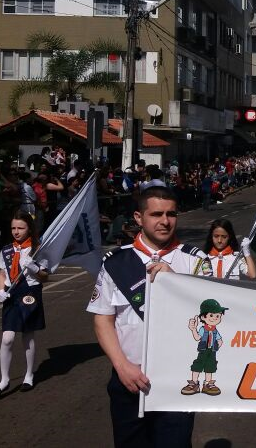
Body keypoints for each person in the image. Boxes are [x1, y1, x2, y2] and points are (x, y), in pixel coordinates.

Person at [87, 186, 206, 447]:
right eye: (156, 214)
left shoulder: (196, 261)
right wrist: (122, 366)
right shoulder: (116, 262)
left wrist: (177, 282)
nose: (165, 221)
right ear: (139, 218)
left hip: (177, 379)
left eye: (171, 214)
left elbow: (211, 317)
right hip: (128, 378)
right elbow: (103, 319)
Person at [0, 212, 49, 396]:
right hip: (11, 293)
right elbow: (2, 274)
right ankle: (4, 379)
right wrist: (0, 291)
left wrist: (35, 268)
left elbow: (45, 277)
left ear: (29, 229)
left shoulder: (37, 249)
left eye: (20, 228)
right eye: (13, 228)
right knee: (7, 338)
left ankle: (29, 375)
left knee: (27, 335)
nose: (16, 232)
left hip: (29, 293)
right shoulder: (7, 250)